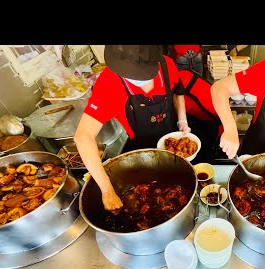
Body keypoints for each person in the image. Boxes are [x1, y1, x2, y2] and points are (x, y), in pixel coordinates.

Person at [74, 45, 190, 213]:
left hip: (172, 146)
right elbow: (83, 137)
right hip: (142, 156)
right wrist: (107, 190)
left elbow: (178, 92)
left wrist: (182, 119)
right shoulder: (109, 82)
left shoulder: (167, 64)